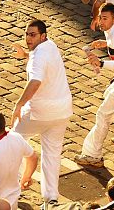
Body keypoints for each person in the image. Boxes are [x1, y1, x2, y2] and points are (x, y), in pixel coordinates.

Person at [10, 19, 72, 207]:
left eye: (33, 35)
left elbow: (35, 81)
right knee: (52, 154)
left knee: (14, 141)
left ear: (42, 36)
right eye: (27, 34)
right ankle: (51, 198)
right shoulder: (50, 46)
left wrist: (19, 104)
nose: (28, 38)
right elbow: (42, 62)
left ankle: (14, 187)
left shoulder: (38, 56)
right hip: (62, 110)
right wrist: (26, 55)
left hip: (40, 111)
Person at [75, 3, 114, 169]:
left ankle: (92, 154)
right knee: (109, 97)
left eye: (105, 18)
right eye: (100, 17)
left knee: (103, 113)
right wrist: (106, 43)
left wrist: (101, 63)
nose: (101, 22)